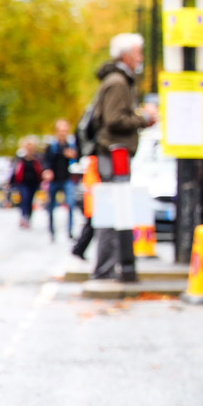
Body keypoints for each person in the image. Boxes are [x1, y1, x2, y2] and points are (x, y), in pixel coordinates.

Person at [91, 34, 153, 279]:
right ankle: (106, 269)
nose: (141, 58)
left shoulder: (117, 80)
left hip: (113, 155)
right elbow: (114, 120)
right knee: (112, 210)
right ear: (126, 55)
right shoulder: (118, 82)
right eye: (138, 53)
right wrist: (144, 119)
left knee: (114, 209)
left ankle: (109, 266)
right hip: (113, 155)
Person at [42, 119, 79, 240]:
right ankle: (52, 232)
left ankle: (69, 231)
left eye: (65, 130)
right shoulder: (52, 146)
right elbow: (45, 161)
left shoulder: (71, 146)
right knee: (51, 206)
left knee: (71, 204)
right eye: (61, 130)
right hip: (54, 180)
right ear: (56, 131)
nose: (63, 133)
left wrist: (73, 157)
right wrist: (47, 170)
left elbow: (77, 161)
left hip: (67, 179)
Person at [12, 138, 44, 229]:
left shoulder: (36, 158)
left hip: (33, 183)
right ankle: (23, 216)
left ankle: (28, 217)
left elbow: (40, 171)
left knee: (30, 201)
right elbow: (15, 171)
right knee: (24, 199)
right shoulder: (20, 159)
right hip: (22, 183)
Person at [71, 156, 99, 260]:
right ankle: (78, 249)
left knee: (90, 227)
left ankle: (78, 249)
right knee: (90, 227)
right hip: (93, 202)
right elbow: (92, 185)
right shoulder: (93, 162)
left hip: (91, 201)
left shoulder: (90, 161)